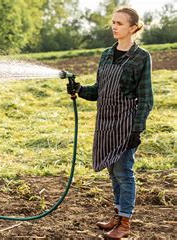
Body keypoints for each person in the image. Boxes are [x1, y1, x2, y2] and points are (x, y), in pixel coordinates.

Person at [67, 6, 153, 239]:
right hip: (105, 123)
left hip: (126, 124)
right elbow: (98, 91)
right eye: (113, 22)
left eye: (120, 23)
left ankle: (125, 222)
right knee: (113, 172)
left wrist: (137, 129)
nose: (114, 27)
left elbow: (146, 98)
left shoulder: (142, 57)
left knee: (124, 172)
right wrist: (80, 89)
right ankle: (117, 214)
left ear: (133, 28)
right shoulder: (106, 54)